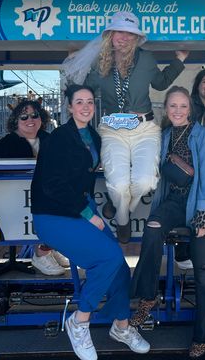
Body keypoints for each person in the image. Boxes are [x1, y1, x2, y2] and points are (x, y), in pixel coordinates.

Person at [31, 85, 150, 360]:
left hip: (82, 207)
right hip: (54, 215)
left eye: (89, 102)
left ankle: (121, 326)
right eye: (79, 102)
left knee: (119, 267)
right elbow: (52, 186)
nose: (85, 107)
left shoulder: (93, 136)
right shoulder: (58, 139)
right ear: (69, 107)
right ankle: (79, 320)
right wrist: (90, 215)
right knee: (109, 258)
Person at [130, 86, 205, 358]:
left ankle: (202, 336)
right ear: (166, 109)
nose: (178, 111)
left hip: (202, 203)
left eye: (183, 106)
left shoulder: (202, 136)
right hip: (175, 202)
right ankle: (148, 297)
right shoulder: (165, 136)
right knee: (151, 231)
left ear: (190, 109)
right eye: (173, 106)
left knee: (203, 270)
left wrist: (204, 219)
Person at [84, 11, 189, 243]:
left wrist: (179, 61)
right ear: (110, 34)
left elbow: (160, 83)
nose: (124, 37)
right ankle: (123, 221)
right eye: (119, 31)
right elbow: (86, 91)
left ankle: (121, 210)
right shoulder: (99, 62)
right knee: (119, 184)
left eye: (130, 34)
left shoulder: (146, 58)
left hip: (144, 129)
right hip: (113, 129)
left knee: (145, 182)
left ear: (136, 39)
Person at [0, 99, 68, 276]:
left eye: (34, 115)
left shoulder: (50, 140)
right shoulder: (1, 146)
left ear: (41, 118)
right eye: (24, 116)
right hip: (14, 200)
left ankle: (49, 248)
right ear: (15, 120)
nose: (30, 119)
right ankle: (42, 253)